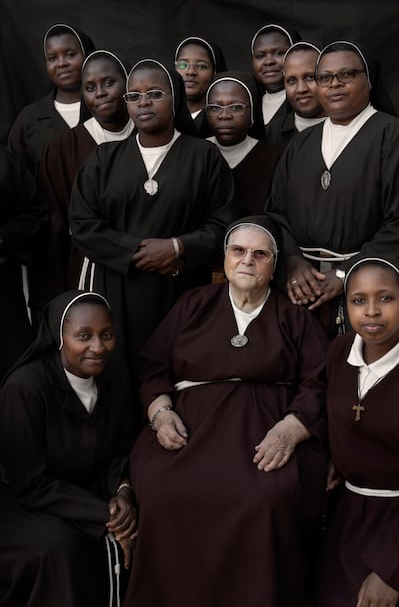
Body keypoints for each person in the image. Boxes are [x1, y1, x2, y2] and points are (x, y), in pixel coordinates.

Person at [123, 215, 328, 607]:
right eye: (238, 250)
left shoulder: (293, 317)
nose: (247, 260)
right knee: (165, 494)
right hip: (191, 434)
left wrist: (292, 428)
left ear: (274, 263)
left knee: (264, 500)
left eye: (259, 254)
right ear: (225, 258)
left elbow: (318, 381)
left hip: (264, 438)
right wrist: (161, 414)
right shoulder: (193, 304)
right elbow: (153, 368)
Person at [69, 59, 235, 387]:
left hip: (180, 287)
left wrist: (177, 247)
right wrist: (135, 250)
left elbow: (223, 224)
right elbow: (82, 224)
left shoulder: (204, 156)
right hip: (116, 286)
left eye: (154, 93)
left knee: (174, 372)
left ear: (174, 98)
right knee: (118, 375)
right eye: (134, 96)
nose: (143, 102)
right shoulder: (104, 158)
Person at [267, 40, 399, 336]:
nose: (334, 85)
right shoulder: (301, 143)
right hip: (302, 286)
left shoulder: (396, 136)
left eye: (346, 75)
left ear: (369, 79)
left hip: (367, 287)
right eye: (324, 77)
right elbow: (276, 213)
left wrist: (346, 272)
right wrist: (293, 261)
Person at [0, 290, 137, 607]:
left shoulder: (115, 374)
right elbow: (29, 482)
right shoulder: (25, 389)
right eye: (83, 336)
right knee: (61, 548)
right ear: (58, 337)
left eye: (107, 335)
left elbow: (123, 446)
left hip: (90, 488)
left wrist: (125, 491)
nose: (98, 348)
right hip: (25, 501)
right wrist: (106, 515)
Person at [317, 256, 399, 607]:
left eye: (385, 298)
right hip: (347, 516)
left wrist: (392, 571)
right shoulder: (340, 350)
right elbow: (324, 405)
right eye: (359, 300)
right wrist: (333, 451)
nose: (371, 311)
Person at [33, 50, 134, 311]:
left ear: (129, 84)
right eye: (89, 87)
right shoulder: (63, 148)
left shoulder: (151, 137)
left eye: (109, 83)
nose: (99, 93)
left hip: (145, 264)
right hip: (86, 266)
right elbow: (55, 223)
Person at [7, 23, 95, 176]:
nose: (61, 63)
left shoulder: (107, 108)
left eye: (70, 54)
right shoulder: (30, 118)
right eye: (52, 58)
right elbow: (16, 177)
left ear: (87, 56)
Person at [206, 71, 283, 216]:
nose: (224, 116)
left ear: (252, 111)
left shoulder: (273, 158)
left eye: (236, 107)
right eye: (215, 108)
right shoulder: (196, 154)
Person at [0, 147, 48, 379]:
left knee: (14, 367)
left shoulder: (5, 161)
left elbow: (36, 211)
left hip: (1, 286)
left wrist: (3, 237)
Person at [250, 23, 300, 145]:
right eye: (260, 56)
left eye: (278, 53)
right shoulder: (249, 105)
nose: (269, 62)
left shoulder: (304, 102)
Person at [271, 41, 326, 151]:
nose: (301, 89)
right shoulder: (273, 131)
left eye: (310, 77)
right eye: (292, 80)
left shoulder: (347, 129)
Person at [174, 35, 227, 137]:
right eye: (182, 65)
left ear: (216, 72)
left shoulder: (223, 121)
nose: (190, 72)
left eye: (201, 66)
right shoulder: (165, 118)